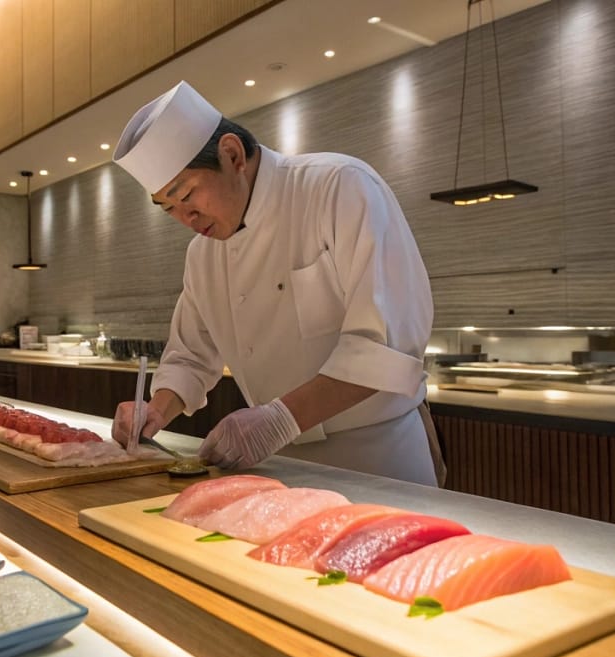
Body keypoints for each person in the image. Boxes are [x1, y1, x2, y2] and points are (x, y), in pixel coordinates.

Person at [110, 81, 444, 487]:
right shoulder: (203, 254)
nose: (187, 220)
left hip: (377, 459)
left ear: (231, 154)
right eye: (170, 209)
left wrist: (281, 419)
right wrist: (157, 410)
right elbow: (191, 357)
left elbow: (386, 346)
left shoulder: (338, 186)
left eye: (188, 196)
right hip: (277, 467)